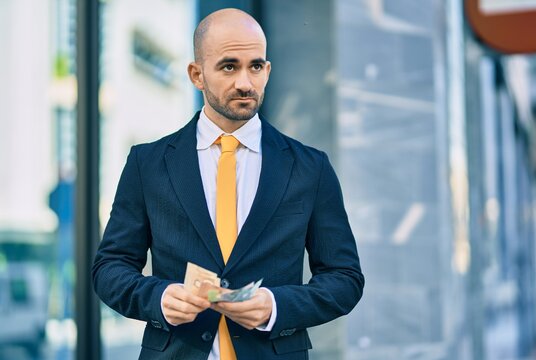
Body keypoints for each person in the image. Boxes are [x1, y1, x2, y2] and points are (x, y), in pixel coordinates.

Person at [92, 8, 364, 360]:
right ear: (196, 74)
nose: (245, 83)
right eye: (228, 66)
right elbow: (109, 268)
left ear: (267, 70)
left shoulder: (310, 168)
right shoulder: (148, 164)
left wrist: (275, 306)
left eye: (255, 66)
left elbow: (344, 278)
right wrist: (158, 298)